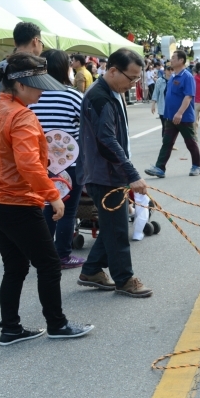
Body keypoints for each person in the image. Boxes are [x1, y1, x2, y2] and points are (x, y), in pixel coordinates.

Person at [0, 52, 95, 344]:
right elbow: (29, 165)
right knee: (48, 264)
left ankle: (10, 328)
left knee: (16, 266)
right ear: (20, 85)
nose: (42, 90)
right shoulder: (22, 116)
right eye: (37, 85)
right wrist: (53, 196)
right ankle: (57, 325)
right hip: (19, 202)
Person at [77, 48, 152, 298]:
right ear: (112, 71)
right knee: (118, 230)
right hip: (105, 174)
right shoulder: (100, 97)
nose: (133, 84)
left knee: (112, 227)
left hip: (109, 172)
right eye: (131, 78)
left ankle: (91, 270)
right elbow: (106, 140)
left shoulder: (112, 91)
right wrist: (131, 174)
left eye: (137, 79)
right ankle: (124, 279)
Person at [28, 49, 86, 269]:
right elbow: (87, 124)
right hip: (69, 164)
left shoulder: (33, 95)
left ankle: (43, 254)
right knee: (67, 211)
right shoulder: (71, 95)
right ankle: (62, 255)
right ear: (65, 68)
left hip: (41, 164)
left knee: (46, 207)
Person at [144, 50, 200, 178]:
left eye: (174, 58)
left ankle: (196, 166)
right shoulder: (173, 76)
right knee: (167, 142)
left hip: (184, 117)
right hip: (170, 116)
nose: (171, 59)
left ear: (181, 60)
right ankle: (160, 168)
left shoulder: (187, 77)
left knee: (190, 142)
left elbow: (188, 97)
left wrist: (180, 113)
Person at [0, 23, 44, 100]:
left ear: (14, 43)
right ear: (35, 41)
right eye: (42, 43)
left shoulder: (0, 67)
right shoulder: (35, 69)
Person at [150, 65, 172, 138]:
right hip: (163, 107)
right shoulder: (160, 80)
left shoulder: (175, 80)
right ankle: (165, 144)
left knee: (172, 127)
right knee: (165, 126)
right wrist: (153, 105)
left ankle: (171, 143)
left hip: (172, 107)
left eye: (172, 70)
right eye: (168, 70)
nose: (170, 72)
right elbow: (155, 93)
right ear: (165, 71)